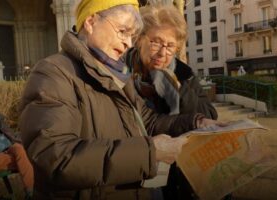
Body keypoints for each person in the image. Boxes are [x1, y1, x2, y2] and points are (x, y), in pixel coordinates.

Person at [19, 1, 220, 199]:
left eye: (132, 36)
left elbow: (147, 122)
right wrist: (151, 153)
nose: (128, 43)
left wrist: (195, 122)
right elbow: (55, 157)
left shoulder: (116, 74)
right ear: (90, 22)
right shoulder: (54, 72)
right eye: (123, 31)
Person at [125, 5, 218, 200]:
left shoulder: (184, 74)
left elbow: (208, 115)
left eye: (170, 46)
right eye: (156, 43)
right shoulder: (120, 73)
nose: (162, 53)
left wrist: (178, 87)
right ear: (139, 39)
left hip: (180, 172)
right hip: (135, 173)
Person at [0, 89, 34, 199]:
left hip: (4, 147)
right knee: (27, 159)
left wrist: (14, 140)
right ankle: (31, 191)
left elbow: (8, 133)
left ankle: (30, 192)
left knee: (19, 148)